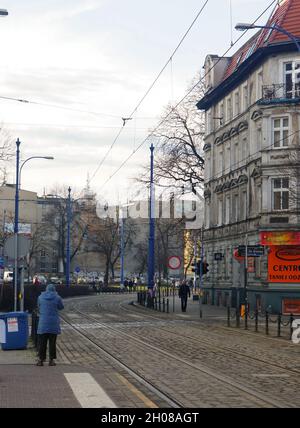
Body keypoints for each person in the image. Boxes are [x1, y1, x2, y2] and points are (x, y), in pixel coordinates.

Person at [36, 284, 64, 366]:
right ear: (54, 290)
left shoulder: (40, 297)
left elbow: (38, 306)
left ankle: (41, 360)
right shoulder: (57, 297)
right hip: (53, 323)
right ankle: (51, 360)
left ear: (46, 289)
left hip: (43, 323)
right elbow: (61, 307)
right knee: (52, 343)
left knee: (42, 342)